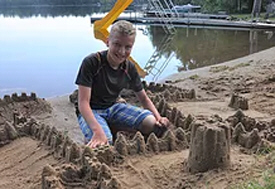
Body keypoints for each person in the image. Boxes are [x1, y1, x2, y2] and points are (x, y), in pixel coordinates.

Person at [75, 20, 170, 149]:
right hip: (92, 110)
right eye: (117, 44)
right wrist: (98, 131)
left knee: (151, 123)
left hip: (114, 107)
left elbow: (143, 98)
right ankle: (99, 130)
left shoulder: (129, 68)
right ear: (108, 42)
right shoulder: (92, 62)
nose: (121, 51)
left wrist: (158, 118)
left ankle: (113, 125)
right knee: (104, 143)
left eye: (127, 47)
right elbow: (83, 103)